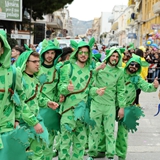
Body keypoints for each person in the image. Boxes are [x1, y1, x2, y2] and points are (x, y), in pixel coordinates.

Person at [58, 38, 104, 160]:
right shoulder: (68, 68)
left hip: (82, 113)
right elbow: (60, 87)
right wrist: (67, 88)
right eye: (81, 52)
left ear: (89, 55)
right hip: (68, 111)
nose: (83, 55)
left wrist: (96, 91)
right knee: (65, 144)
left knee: (80, 144)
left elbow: (88, 90)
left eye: (86, 53)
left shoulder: (89, 71)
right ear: (76, 53)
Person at [15, 46, 59, 160]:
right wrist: (34, 123)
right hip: (23, 124)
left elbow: (36, 97)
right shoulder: (20, 80)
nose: (38, 64)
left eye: (38, 61)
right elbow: (20, 104)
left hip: (34, 121)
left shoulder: (34, 78)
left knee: (38, 153)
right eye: (34, 61)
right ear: (26, 62)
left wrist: (47, 103)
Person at [116, 56, 159, 160]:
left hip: (127, 108)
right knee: (106, 129)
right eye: (132, 64)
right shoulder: (120, 72)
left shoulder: (137, 78)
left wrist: (154, 86)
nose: (133, 67)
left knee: (123, 133)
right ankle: (102, 150)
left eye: (136, 65)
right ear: (128, 64)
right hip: (112, 105)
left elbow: (146, 87)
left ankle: (121, 155)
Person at [87, 47, 126, 160]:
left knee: (109, 132)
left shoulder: (120, 72)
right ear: (109, 56)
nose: (114, 58)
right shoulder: (99, 66)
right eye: (113, 56)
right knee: (94, 129)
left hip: (110, 106)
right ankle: (92, 154)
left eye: (117, 56)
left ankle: (110, 154)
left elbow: (121, 90)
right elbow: (89, 80)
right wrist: (98, 69)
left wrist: (122, 107)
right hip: (96, 103)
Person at [0, 30, 33, 159]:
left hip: (6, 129)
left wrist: (17, 119)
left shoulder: (14, 72)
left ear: (3, 49)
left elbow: (20, 97)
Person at [39, 39, 62, 159]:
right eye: (47, 53)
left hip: (53, 109)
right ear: (43, 53)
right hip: (38, 108)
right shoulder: (36, 68)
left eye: (52, 53)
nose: (50, 56)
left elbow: (59, 87)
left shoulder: (58, 69)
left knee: (49, 141)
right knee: (37, 142)